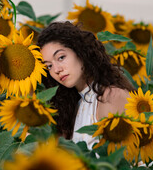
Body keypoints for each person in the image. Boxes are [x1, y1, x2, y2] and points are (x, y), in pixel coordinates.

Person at [37, 21, 136, 149]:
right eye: (49, 66)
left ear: (79, 51)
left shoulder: (111, 96)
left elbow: (121, 161)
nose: (56, 70)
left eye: (61, 57)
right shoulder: (73, 106)